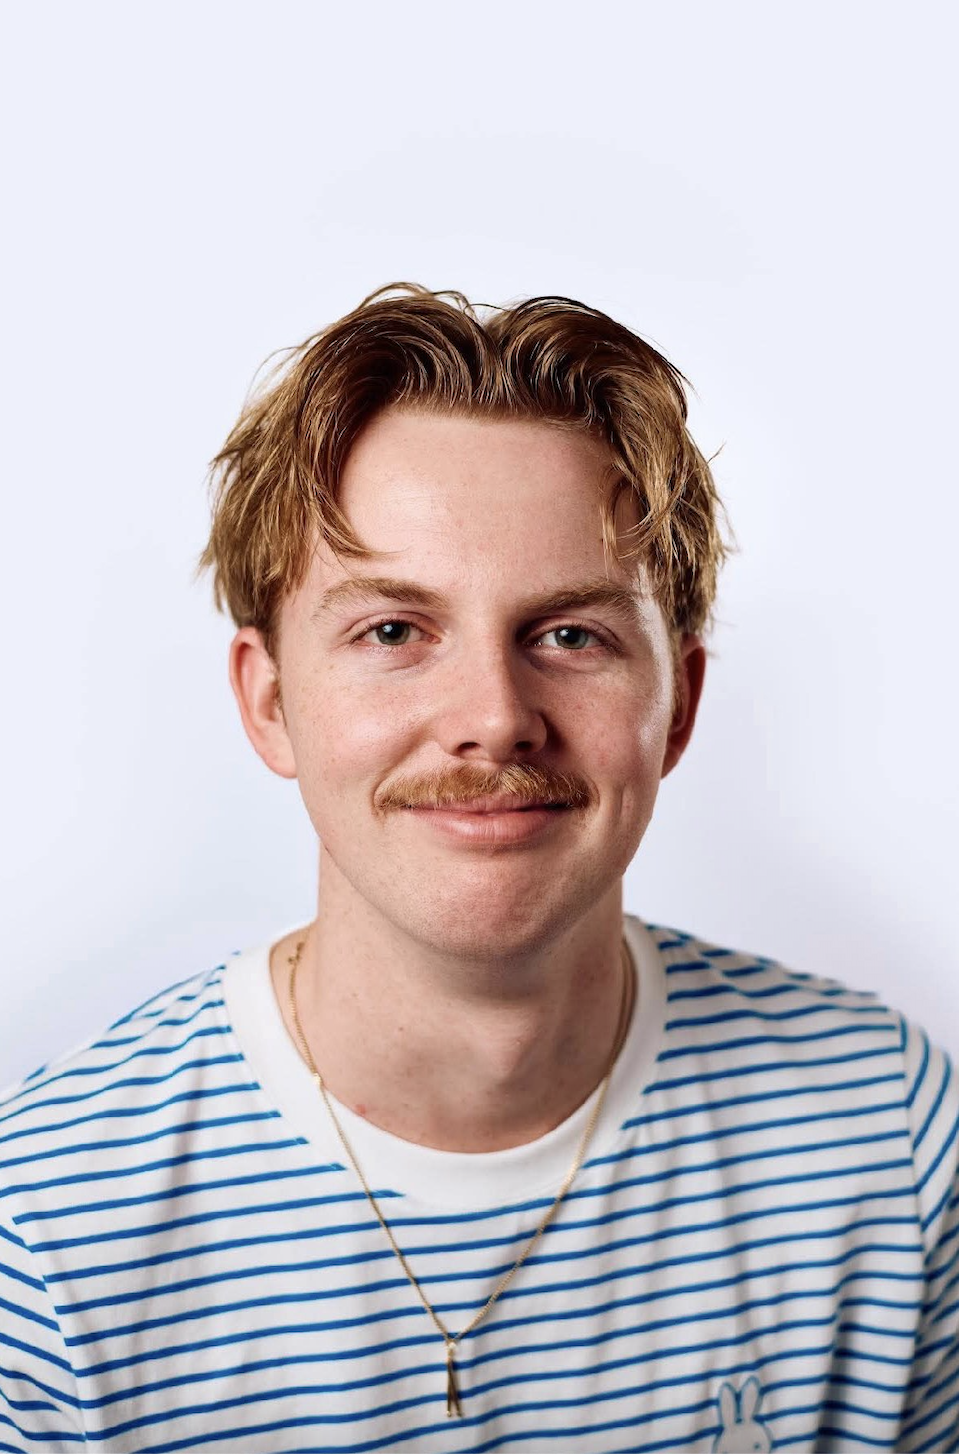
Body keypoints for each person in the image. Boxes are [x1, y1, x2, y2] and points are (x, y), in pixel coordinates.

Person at [0, 284, 955, 1454]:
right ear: (270, 701)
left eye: (570, 634)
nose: (494, 717)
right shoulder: (42, 1230)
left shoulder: (886, 1132)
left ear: (677, 704)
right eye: (393, 631)